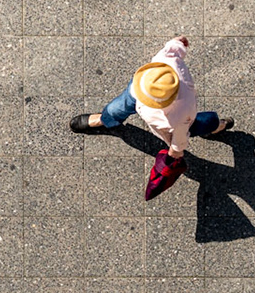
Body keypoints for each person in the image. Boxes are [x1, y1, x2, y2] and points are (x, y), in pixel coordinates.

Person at [69, 35, 233, 199]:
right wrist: (178, 42)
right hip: (138, 88)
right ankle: (105, 119)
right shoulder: (167, 66)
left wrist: (175, 150)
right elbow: (172, 51)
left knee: (204, 122)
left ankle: (216, 125)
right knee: (116, 108)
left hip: (180, 120)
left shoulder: (180, 112)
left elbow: (180, 134)